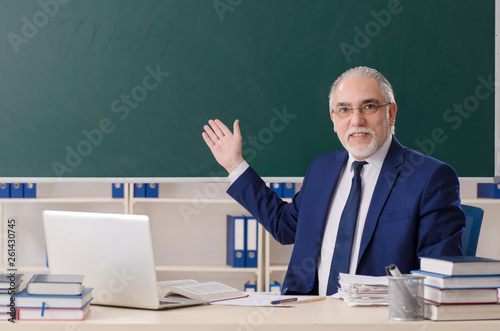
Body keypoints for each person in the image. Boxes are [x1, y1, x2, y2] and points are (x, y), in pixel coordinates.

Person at [202, 66, 465, 295]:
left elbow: (438, 279)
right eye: (344, 109)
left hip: (378, 321)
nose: (356, 120)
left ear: (391, 113)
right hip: (308, 311)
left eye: (369, 106)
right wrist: (234, 164)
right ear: (333, 119)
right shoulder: (322, 168)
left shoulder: (429, 177)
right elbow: (285, 226)